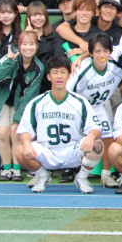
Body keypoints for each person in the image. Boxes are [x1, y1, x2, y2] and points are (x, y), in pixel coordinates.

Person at [15, 56, 103, 193]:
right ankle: (43, 176)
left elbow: (95, 127)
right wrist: (26, 144)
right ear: (48, 76)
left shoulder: (79, 102)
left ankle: (81, 178)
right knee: (20, 150)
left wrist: (90, 137)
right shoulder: (37, 103)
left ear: (69, 75)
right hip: (47, 151)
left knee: (97, 145)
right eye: (55, 72)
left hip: (72, 150)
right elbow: (25, 130)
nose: (59, 76)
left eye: (63, 72)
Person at [68, 33, 122, 187]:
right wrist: (81, 58)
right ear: (91, 53)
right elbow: (68, 94)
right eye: (97, 51)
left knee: (108, 137)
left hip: (98, 106)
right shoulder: (81, 69)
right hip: (79, 109)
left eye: (105, 51)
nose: (102, 55)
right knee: (77, 141)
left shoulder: (115, 66)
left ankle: (106, 174)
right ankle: (76, 172)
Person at [0, 30, 46, 181]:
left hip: (19, 104)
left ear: (37, 46)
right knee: (2, 133)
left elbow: (29, 96)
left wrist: (17, 118)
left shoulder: (38, 67)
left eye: (31, 44)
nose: (28, 48)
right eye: (24, 44)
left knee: (16, 134)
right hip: (2, 100)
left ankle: (16, 168)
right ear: (19, 46)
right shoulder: (9, 58)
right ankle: (5, 168)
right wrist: (9, 62)